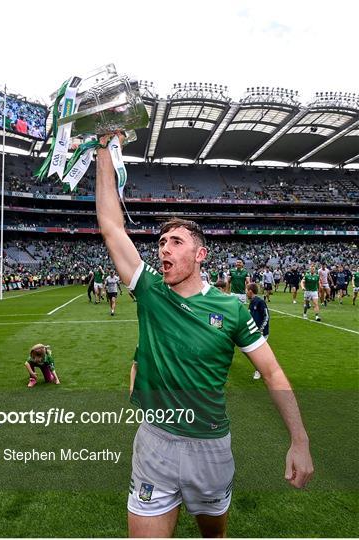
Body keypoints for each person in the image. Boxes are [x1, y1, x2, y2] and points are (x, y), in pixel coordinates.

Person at [95, 132, 313, 538]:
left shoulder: (231, 308)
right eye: (161, 242)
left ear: (200, 255)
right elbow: (110, 226)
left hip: (210, 447)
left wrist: (299, 440)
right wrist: (105, 151)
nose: (164, 249)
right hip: (154, 442)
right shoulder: (149, 290)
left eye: (176, 242)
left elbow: (273, 373)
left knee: (213, 533)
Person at [246, 283, 270, 380]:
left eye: (246, 290)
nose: (246, 292)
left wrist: (261, 330)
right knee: (256, 353)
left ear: (250, 291)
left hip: (261, 332)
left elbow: (266, 316)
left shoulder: (260, 302)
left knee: (258, 353)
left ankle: (259, 371)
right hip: (254, 331)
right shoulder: (252, 302)